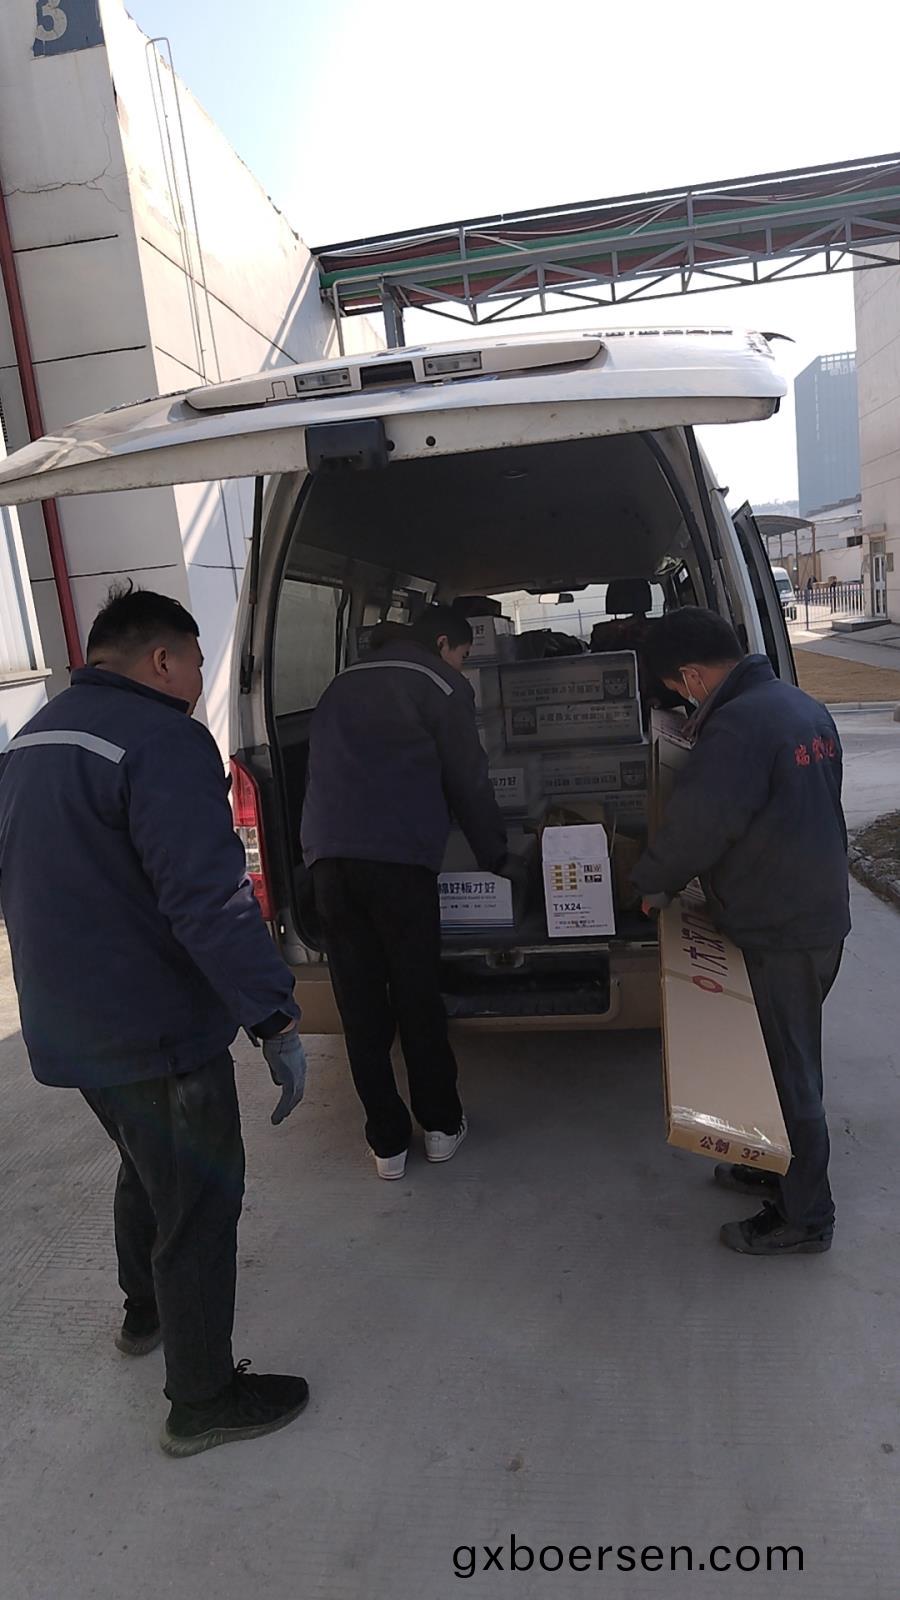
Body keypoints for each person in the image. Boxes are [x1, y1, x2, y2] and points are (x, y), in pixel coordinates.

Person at [0, 587, 311, 1457]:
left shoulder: (33, 738)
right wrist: (274, 1016)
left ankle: (145, 1314)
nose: (202, 679)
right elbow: (210, 900)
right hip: (154, 1025)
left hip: (68, 1022)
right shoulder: (163, 741)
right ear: (163, 660)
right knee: (201, 1202)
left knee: (148, 1167)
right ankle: (202, 1400)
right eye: (199, 661)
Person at [631, 607, 850, 1257]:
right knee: (786, 1060)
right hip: (816, 914)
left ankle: (806, 1218)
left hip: (780, 927)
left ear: (693, 674)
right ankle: (776, 1163)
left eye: (678, 688)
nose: (682, 699)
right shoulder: (801, 706)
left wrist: (651, 883)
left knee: (790, 1075)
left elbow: (700, 825)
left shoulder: (737, 727)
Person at [301, 604, 509, 1180]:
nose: (461, 665)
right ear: (443, 644)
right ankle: (440, 1126)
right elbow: (468, 778)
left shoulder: (341, 682)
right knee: (416, 993)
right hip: (397, 862)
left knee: (360, 1003)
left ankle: (386, 1144)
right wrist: (497, 856)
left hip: (329, 861)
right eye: (463, 654)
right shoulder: (439, 684)